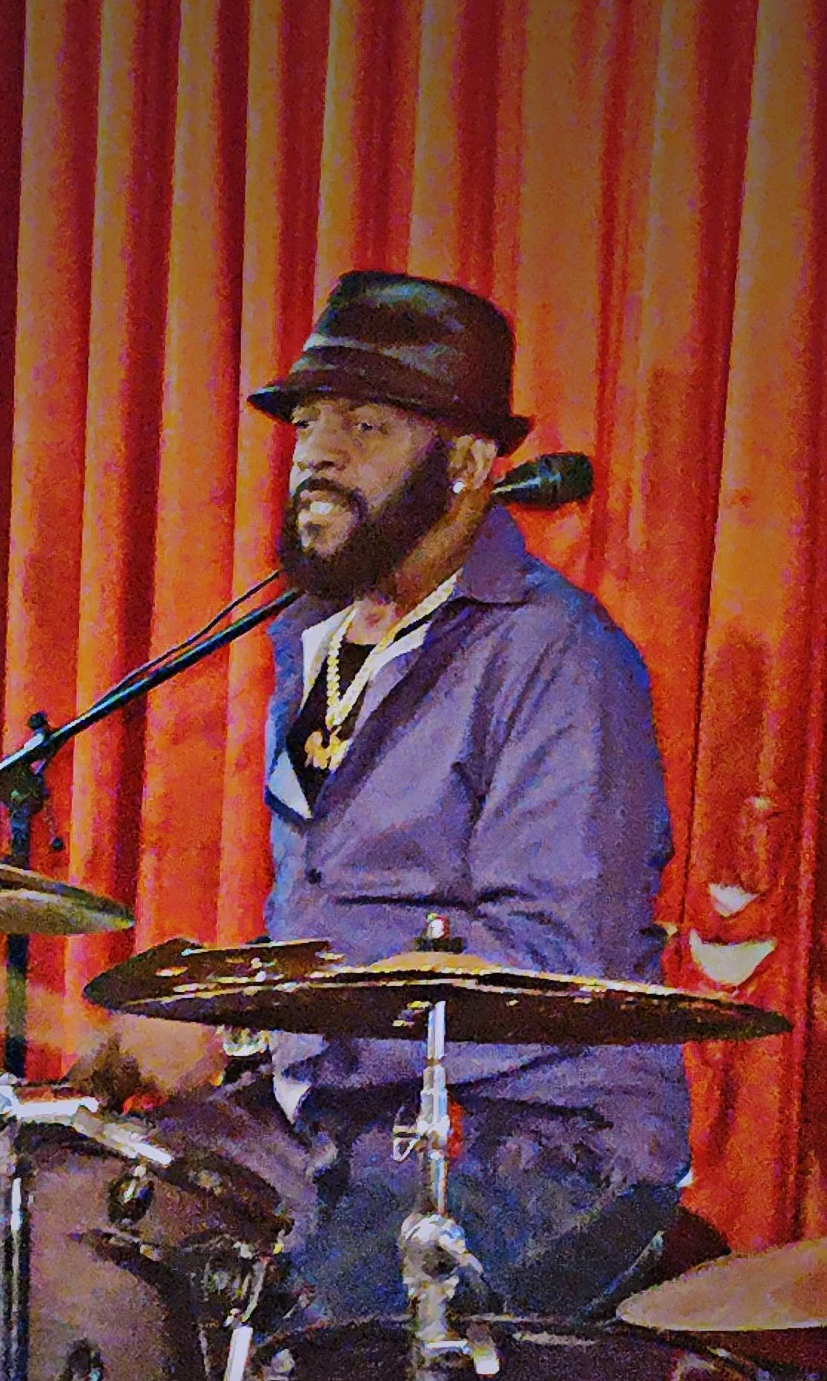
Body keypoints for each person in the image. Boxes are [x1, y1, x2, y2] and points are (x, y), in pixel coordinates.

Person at [93, 271, 690, 1323]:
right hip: (330, 1119)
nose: (316, 455)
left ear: (466, 464)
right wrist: (215, 1014)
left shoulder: (559, 658)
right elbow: (343, 913)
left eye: (365, 427)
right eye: (308, 424)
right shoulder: (313, 638)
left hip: (537, 1142)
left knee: (298, 1353)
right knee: (84, 1231)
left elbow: (553, 970)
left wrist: (248, 1033)